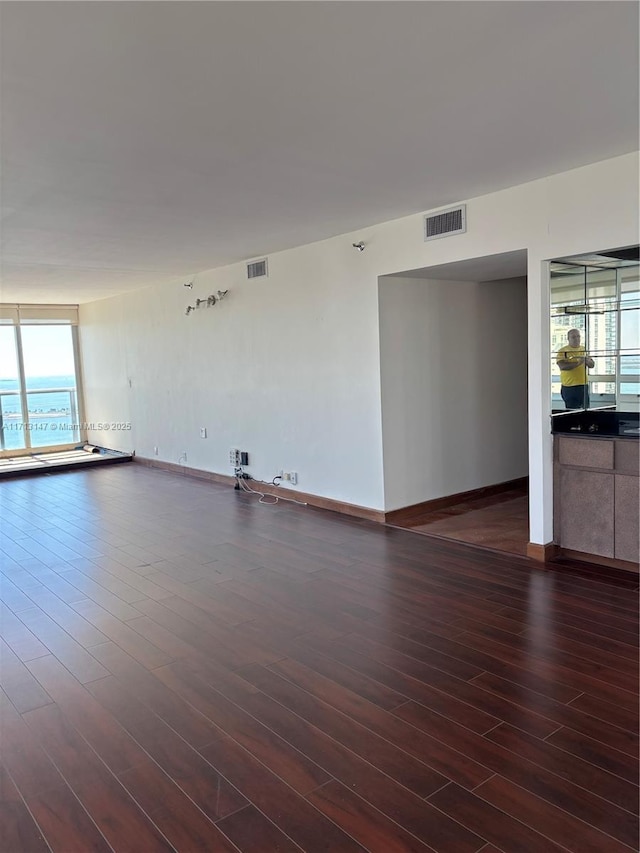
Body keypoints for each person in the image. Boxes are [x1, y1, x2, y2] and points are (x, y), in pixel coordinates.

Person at [556, 328, 594, 409]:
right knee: (572, 413)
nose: (576, 339)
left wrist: (587, 361)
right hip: (569, 387)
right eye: (573, 337)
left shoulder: (584, 349)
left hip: (583, 385)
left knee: (586, 412)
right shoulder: (563, 351)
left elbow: (592, 365)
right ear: (568, 339)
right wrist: (578, 363)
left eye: (578, 336)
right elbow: (562, 366)